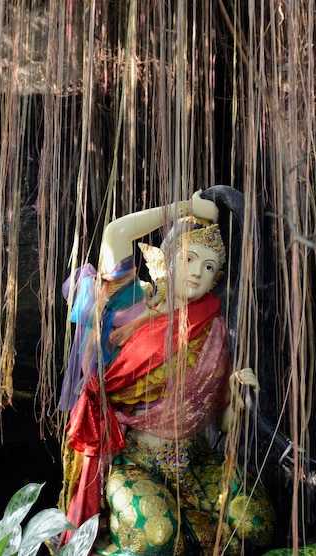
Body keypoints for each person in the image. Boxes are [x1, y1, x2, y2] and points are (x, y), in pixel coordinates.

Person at [57, 188, 275, 555]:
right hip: (138, 461)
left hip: (196, 460)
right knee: (157, 537)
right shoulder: (132, 307)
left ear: (217, 279)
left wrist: (236, 395)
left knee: (258, 525)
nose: (196, 272)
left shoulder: (212, 329)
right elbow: (115, 234)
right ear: (165, 261)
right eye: (188, 258)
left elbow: (222, 424)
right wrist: (189, 208)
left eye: (209, 267)